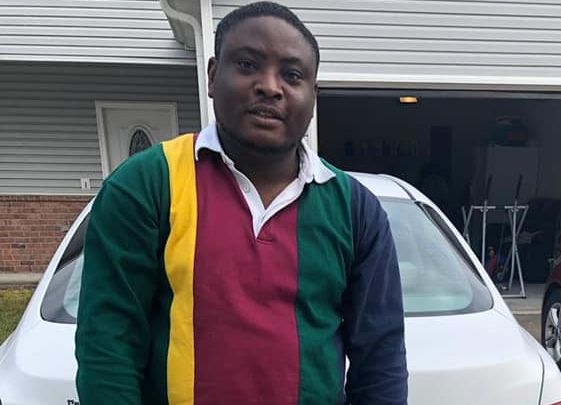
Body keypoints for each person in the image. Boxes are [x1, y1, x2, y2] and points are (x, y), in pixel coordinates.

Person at [74, 2, 408, 404]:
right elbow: (108, 346)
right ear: (213, 76)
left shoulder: (355, 210)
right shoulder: (147, 185)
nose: (270, 86)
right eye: (248, 65)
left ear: (313, 96)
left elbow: (380, 359)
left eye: (292, 75)